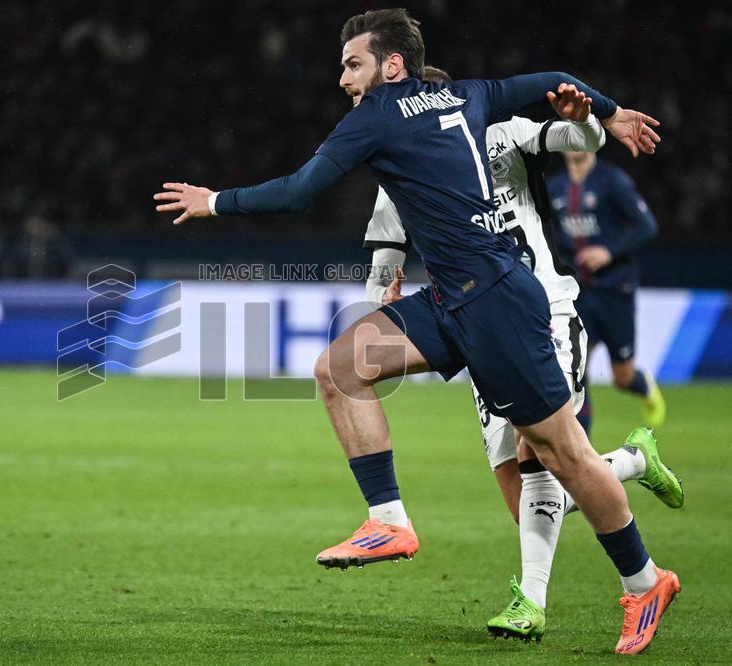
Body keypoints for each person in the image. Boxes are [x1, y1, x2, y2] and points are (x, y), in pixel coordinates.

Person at [153, 9, 675, 654]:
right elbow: (554, 79)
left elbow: (298, 193)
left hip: (496, 300)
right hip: (455, 297)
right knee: (341, 370)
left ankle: (644, 580)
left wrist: (215, 201)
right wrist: (609, 111)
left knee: (561, 454)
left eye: (352, 63)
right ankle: (388, 520)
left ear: (391, 65)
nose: (343, 78)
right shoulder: (470, 94)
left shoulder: (376, 115)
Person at [363, 65, 683, 642]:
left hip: (545, 311)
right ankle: (632, 462)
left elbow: (575, 139)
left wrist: (588, 120)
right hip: (478, 325)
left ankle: (537, 603)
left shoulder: (499, 132)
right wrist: (380, 289)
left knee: (546, 451)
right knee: (526, 499)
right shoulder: (400, 159)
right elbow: (387, 239)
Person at [549, 153, 664, 432]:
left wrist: (609, 251)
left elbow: (646, 225)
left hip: (615, 289)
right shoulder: (553, 187)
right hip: (579, 293)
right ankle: (582, 447)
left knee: (622, 377)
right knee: (577, 369)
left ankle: (643, 385)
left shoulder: (612, 181)